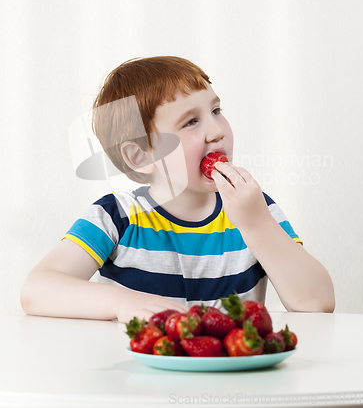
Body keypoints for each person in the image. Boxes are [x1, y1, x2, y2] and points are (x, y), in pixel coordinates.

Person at [21, 56, 335, 322]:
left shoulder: (254, 208)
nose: (216, 131)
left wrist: (256, 225)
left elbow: (316, 302)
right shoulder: (115, 216)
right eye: (190, 122)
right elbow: (37, 290)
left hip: (234, 385)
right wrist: (122, 305)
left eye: (215, 111)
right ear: (141, 156)